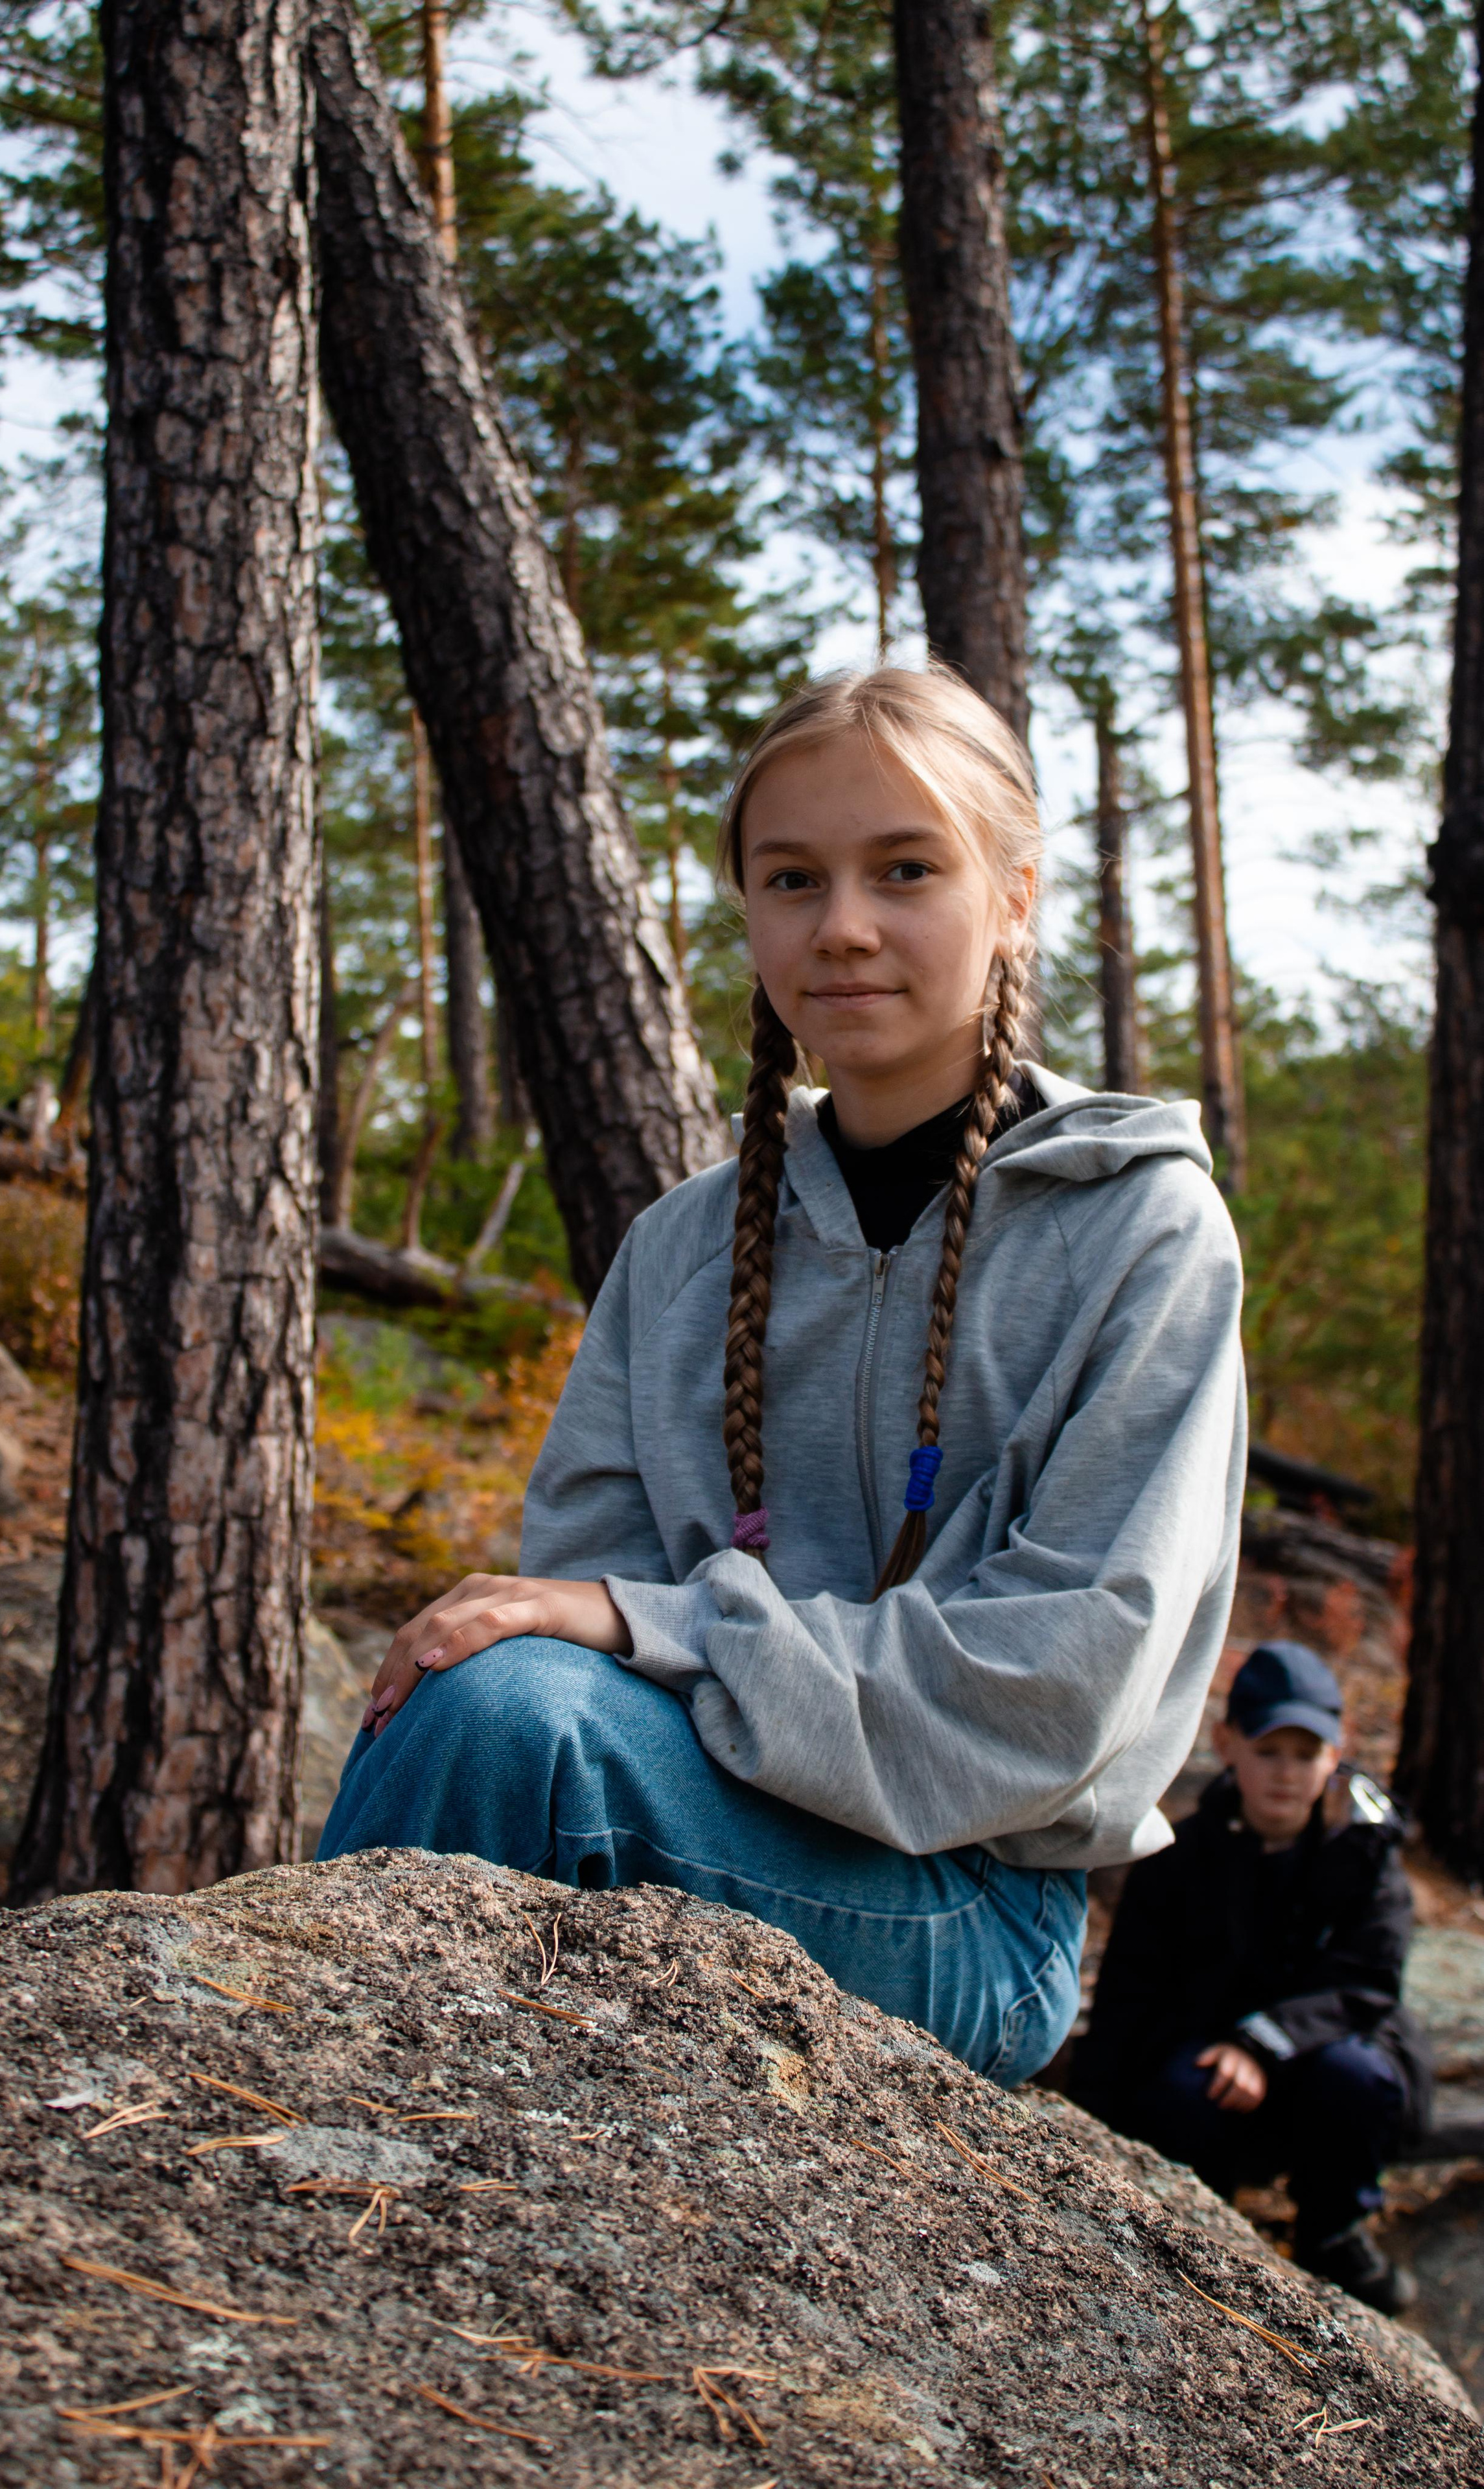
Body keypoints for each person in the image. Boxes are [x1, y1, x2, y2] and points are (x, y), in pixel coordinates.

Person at [318, 664, 1247, 2089]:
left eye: (905, 870)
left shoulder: (1136, 1232)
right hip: (689, 1805)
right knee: (484, 1695)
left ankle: (325, 2122)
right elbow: (589, 1614)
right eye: (792, 877)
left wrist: (660, 1630)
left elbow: (1056, 1691)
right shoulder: (687, 1247)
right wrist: (632, 1633)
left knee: (501, 1725)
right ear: (746, 908)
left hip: (973, 1907)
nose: (845, 928)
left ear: (1011, 894)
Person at [1071, 1640, 1431, 2314]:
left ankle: (1333, 2230)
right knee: (1184, 2090)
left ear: (1336, 1751)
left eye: (1305, 1754)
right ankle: (1207, 2232)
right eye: (1267, 1751)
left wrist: (1265, 2043)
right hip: (1210, 2058)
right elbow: (1130, 1991)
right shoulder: (1175, 1858)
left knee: (1357, 2080)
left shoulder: (1366, 1854)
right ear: (1225, 1744)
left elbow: (1366, 1981)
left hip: (1321, 2056)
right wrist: (1092, 2121)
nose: (1286, 1775)